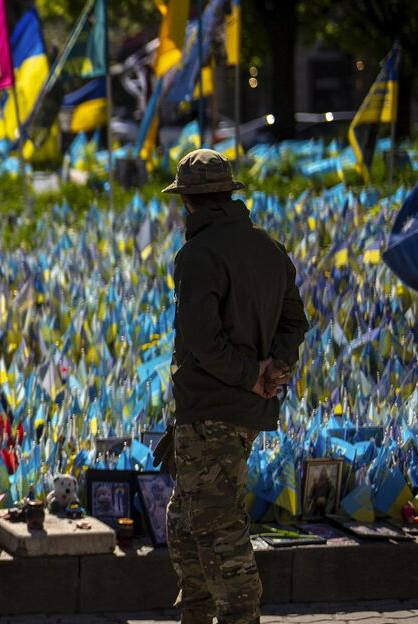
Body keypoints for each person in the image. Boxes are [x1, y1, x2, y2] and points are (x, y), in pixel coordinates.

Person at [162, 149, 309, 624]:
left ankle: (239, 616)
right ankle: (198, 615)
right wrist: (274, 371)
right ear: (228, 195)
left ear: (188, 201)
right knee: (185, 524)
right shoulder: (268, 248)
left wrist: (252, 376)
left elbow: (203, 340)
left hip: (212, 409)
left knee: (220, 530)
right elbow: (295, 321)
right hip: (238, 408)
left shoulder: (197, 255)